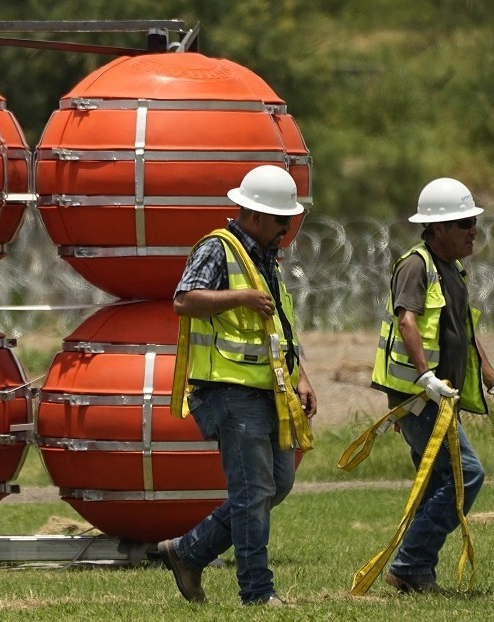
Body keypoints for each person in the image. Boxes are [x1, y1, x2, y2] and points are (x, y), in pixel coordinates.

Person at [159, 165, 317, 607]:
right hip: (227, 389)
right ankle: (257, 593)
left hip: (269, 388)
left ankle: (188, 553)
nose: (287, 228)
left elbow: (278, 326)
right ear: (253, 215)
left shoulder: (266, 259)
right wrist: (240, 297)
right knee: (251, 493)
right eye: (281, 220)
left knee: (276, 484)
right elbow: (184, 300)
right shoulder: (218, 248)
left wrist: (300, 375)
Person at [370, 177, 494, 593]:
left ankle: (415, 572)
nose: (473, 229)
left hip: (440, 397)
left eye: (473, 221)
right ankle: (410, 565)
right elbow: (407, 320)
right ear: (436, 228)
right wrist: (424, 376)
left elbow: (467, 338)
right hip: (420, 399)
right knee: (466, 475)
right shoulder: (416, 266)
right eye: (462, 223)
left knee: (440, 482)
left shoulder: (452, 271)